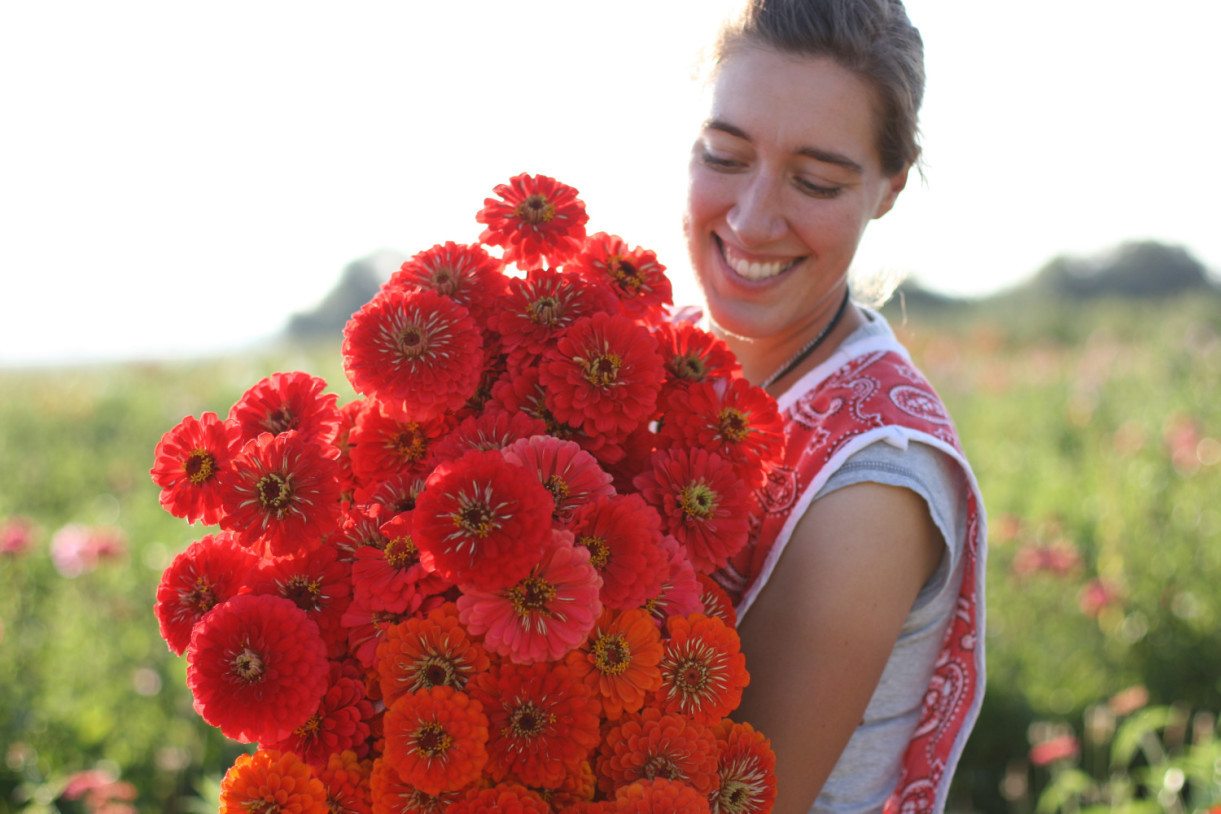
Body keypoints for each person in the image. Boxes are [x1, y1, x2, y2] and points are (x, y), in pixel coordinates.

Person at [685, 1, 988, 811]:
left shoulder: (873, 484)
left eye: (815, 180)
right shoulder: (645, 351)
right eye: (724, 155)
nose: (751, 219)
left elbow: (733, 800)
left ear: (888, 187)